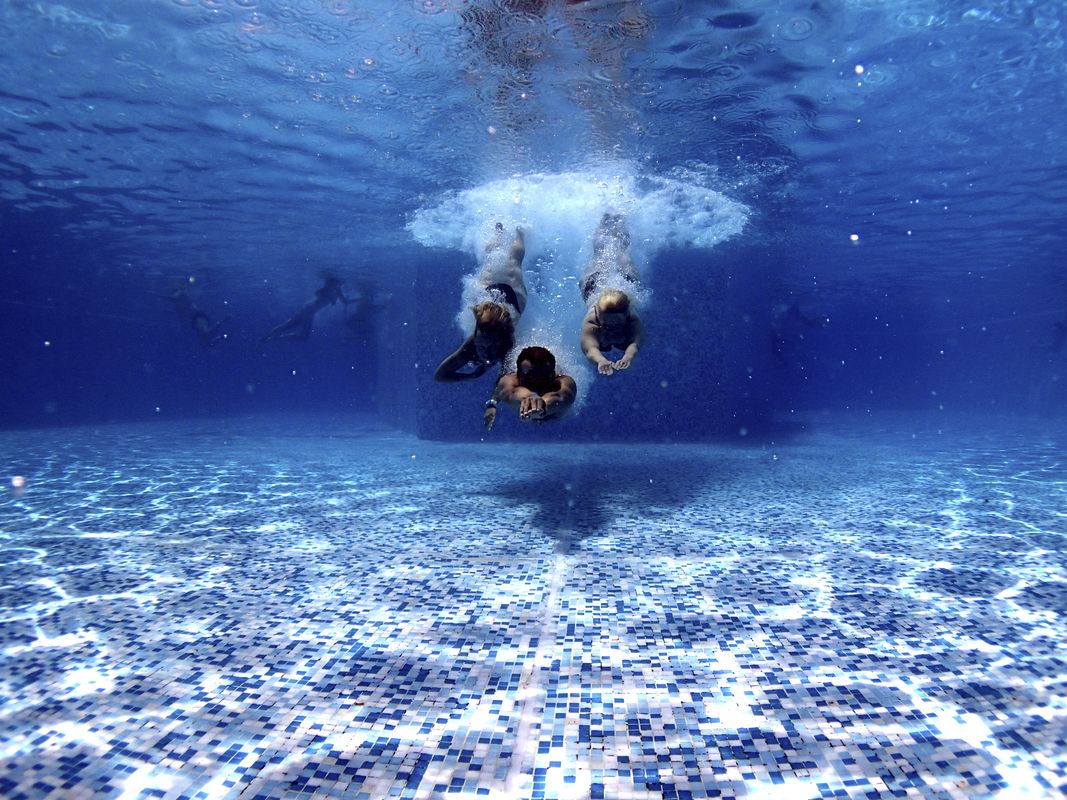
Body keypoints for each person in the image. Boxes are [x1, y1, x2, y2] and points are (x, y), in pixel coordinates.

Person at [434, 223, 528, 382]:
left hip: (511, 296)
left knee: (511, 261)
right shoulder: (471, 345)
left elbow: (504, 382)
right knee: (495, 260)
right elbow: (439, 376)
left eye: (492, 347)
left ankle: (520, 234)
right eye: (482, 347)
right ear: (475, 340)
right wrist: (472, 375)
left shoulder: (507, 347)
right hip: (511, 297)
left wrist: (492, 401)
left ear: (500, 341)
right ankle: (500, 233)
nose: (487, 353)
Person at [579, 213, 644, 376]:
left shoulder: (632, 319)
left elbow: (635, 343)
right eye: (608, 324)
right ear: (598, 316)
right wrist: (600, 360)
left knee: (622, 251)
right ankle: (604, 221)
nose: (612, 329)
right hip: (594, 283)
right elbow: (589, 348)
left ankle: (621, 220)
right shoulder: (591, 321)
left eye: (617, 324)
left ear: (626, 316)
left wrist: (628, 356)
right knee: (600, 253)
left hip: (615, 281)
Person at [486, 345, 576, 427]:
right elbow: (508, 391)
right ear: (518, 375)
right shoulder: (509, 380)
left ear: (553, 375)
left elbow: (561, 397)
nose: (536, 382)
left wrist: (542, 405)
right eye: (530, 377)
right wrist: (492, 404)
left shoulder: (564, 381)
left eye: (543, 376)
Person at [261, 274, 349, 343]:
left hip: (308, 308)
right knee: (303, 336)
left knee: (288, 326)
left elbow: (345, 302)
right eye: (339, 283)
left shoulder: (336, 291)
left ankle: (267, 338)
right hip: (310, 310)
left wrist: (361, 298)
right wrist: (329, 299)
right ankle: (275, 338)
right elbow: (318, 293)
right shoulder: (331, 289)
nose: (340, 285)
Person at [152, 285, 229, 347]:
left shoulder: (181, 294)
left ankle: (223, 324)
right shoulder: (180, 300)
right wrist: (169, 312)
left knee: (204, 336)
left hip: (198, 317)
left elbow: (172, 299)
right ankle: (221, 333)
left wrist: (156, 295)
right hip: (196, 318)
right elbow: (180, 311)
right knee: (204, 339)